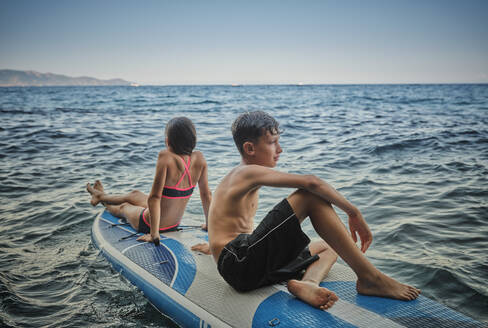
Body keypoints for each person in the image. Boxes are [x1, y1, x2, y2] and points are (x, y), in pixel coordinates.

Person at [197, 111, 420, 310]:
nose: (280, 149)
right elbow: (311, 182)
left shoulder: (239, 177)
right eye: (273, 142)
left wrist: (212, 247)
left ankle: (309, 283)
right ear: (250, 148)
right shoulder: (245, 173)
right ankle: (370, 278)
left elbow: (230, 224)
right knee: (310, 195)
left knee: (332, 245)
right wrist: (353, 213)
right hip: (239, 264)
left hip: (241, 263)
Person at [87, 117, 212, 245]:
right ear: (193, 140)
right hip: (173, 223)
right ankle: (101, 196)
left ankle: (103, 201)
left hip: (148, 224)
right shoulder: (200, 159)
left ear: (167, 141)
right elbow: (206, 195)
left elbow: (154, 198)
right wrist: (209, 225)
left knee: (124, 207)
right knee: (134, 194)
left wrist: (154, 234)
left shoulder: (166, 157)